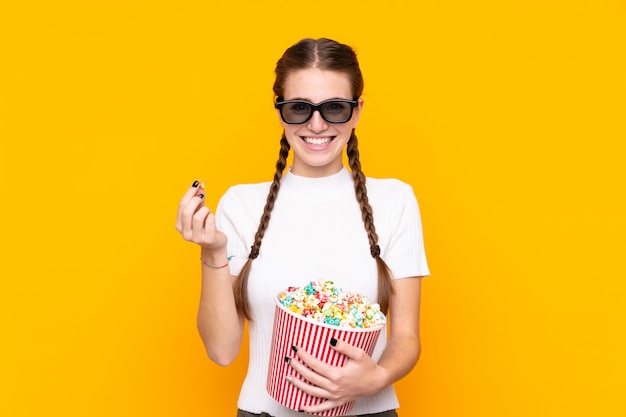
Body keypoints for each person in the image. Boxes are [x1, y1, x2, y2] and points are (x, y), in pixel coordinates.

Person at [176, 37, 429, 417]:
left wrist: (376, 378)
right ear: (280, 112)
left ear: (357, 111)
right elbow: (222, 351)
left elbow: (406, 337)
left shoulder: (394, 201)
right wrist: (211, 253)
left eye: (334, 108)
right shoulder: (241, 205)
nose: (316, 124)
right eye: (299, 108)